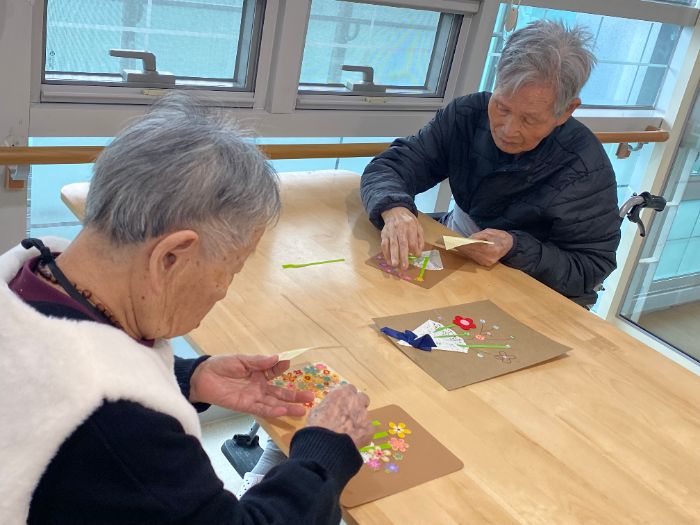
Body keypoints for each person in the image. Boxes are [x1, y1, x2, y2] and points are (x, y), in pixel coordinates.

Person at [0, 93, 373, 524]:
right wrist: (325, 450)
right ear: (171, 257)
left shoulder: (31, 276)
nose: (224, 291)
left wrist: (185, 377)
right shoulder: (121, 427)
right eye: (232, 268)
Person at [360, 20, 621, 306]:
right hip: (459, 252)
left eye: (529, 119)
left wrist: (515, 247)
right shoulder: (467, 114)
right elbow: (390, 167)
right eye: (502, 107)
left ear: (567, 111)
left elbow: (591, 267)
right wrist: (395, 209)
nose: (508, 130)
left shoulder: (585, 167)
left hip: (531, 290)